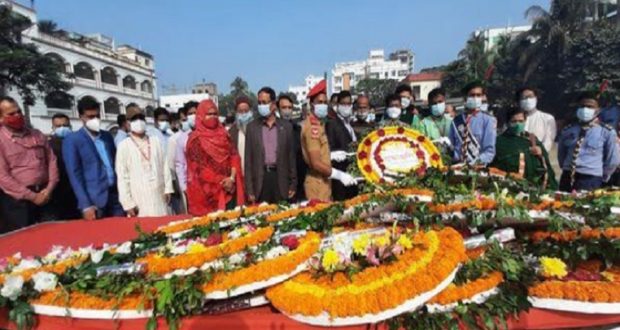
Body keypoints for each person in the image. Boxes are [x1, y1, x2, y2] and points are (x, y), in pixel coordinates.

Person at [0, 96, 59, 233]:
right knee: (25, 242)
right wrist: (33, 197)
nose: (18, 115)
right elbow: (3, 177)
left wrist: (49, 188)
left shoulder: (36, 134)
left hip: (46, 194)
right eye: (11, 114)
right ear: (1, 118)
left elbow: (51, 161)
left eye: (19, 111)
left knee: (53, 237)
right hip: (19, 202)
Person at [63, 98, 124, 220]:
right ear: (81, 117)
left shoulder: (107, 136)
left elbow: (116, 164)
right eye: (90, 117)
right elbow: (75, 175)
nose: (94, 120)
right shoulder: (73, 140)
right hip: (94, 200)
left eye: (97, 116)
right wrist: (85, 205)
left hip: (115, 197)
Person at [186, 100, 244, 215]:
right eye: (209, 114)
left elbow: (234, 156)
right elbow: (198, 168)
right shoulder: (195, 140)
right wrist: (221, 181)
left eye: (215, 114)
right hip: (207, 194)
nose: (212, 117)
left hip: (229, 190)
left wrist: (231, 179)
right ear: (201, 116)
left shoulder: (225, 135)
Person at [301, 80, 357, 201]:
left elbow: (320, 153)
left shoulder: (319, 125)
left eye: (325, 102)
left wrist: (331, 156)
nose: (323, 105)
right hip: (317, 183)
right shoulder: (312, 128)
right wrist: (339, 175)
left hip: (324, 181)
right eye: (319, 102)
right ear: (311, 105)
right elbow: (315, 163)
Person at [116, 106, 173, 217]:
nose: (139, 121)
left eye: (141, 118)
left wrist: (168, 189)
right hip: (138, 200)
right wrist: (127, 203)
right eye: (134, 119)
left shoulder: (155, 141)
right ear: (128, 122)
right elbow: (122, 177)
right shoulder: (124, 146)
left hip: (159, 197)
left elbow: (164, 165)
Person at [557, 91, 620, 192]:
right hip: (567, 176)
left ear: (598, 110)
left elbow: (613, 160)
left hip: (591, 178)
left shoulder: (606, 132)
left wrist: (602, 176)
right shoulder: (568, 130)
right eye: (582, 106)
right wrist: (566, 168)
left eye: (590, 107)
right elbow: (561, 154)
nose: (585, 109)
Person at [245, 87, 297, 204]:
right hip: (261, 180)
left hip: (280, 179)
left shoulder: (286, 127)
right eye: (259, 103)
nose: (261, 106)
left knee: (282, 217)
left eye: (264, 102)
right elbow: (248, 161)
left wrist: (293, 184)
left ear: (273, 104)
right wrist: (249, 189)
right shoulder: (252, 127)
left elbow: (291, 158)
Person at [490, 107, 557, 190]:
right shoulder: (499, 142)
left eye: (521, 121)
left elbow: (547, 167)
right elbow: (493, 168)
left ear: (525, 121)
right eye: (514, 121)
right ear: (507, 123)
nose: (518, 124)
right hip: (508, 188)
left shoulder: (532, 140)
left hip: (533, 188)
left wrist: (540, 154)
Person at [448, 81, 497, 166]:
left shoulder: (488, 120)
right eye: (472, 95)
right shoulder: (456, 120)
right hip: (456, 167)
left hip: (478, 169)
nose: (475, 98)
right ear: (465, 98)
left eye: (478, 95)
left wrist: (473, 164)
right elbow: (452, 146)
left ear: (482, 97)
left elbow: (489, 152)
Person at [326, 91, 358, 201]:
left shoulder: (349, 123)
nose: (346, 107)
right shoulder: (332, 124)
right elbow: (330, 149)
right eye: (343, 104)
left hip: (352, 174)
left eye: (349, 104)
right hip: (340, 174)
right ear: (337, 105)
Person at [48, 113, 80, 220]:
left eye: (65, 125)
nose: (62, 128)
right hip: (58, 192)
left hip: (77, 191)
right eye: (58, 126)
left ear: (70, 126)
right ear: (53, 128)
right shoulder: (48, 146)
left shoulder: (77, 142)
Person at [278, 94, 306, 201]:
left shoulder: (297, 129)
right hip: (280, 181)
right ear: (278, 109)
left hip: (298, 180)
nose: (287, 111)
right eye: (284, 108)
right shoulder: (274, 129)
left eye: (289, 108)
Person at [517, 86, 557, 152]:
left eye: (530, 97)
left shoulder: (547, 118)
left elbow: (548, 141)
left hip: (537, 157)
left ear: (536, 98)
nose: (527, 100)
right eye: (524, 98)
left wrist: (540, 152)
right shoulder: (514, 119)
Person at [174, 101, 198, 195]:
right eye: (190, 114)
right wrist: (183, 187)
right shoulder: (182, 138)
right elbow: (180, 163)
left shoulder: (209, 134)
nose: (193, 116)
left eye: (195, 113)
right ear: (186, 116)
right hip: (192, 185)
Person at [229, 96, 253, 178]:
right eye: (240, 111)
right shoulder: (232, 132)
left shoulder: (257, 129)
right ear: (236, 113)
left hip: (255, 177)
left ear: (251, 112)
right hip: (238, 176)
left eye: (246, 111)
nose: (243, 114)